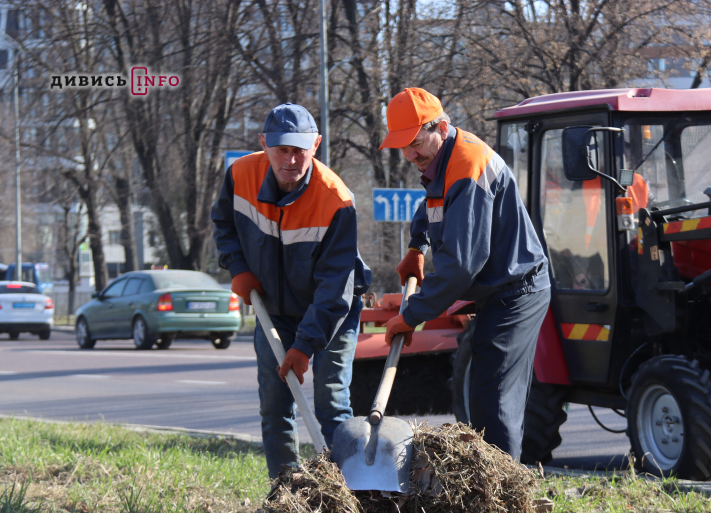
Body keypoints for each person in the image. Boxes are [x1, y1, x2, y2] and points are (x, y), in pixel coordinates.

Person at [379, 88, 551, 460]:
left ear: (441, 127)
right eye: (403, 147)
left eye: (415, 143)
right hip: (498, 289)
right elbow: (432, 205)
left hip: (517, 289)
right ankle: (492, 481)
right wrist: (417, 246)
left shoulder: (467, 165)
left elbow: (460, 266)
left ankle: (503, 488)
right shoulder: (441, 161)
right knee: (485, 392)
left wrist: (411, 315)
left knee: (493, 397)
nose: (410, 155)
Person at [211, 103, 371, 484]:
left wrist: (304, 346)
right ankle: (286, 494)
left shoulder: (336, 200)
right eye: (281, 149)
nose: (291, 159)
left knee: (331, 403)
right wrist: (238, 267)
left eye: (299, 149)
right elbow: (223, 223)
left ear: (316, 145)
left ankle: (349, 493)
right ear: (264, 144)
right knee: (275, 405)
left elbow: (335, 287)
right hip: (274, 310)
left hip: (332, 313)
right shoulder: (240, 176)